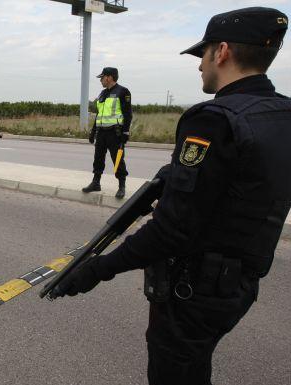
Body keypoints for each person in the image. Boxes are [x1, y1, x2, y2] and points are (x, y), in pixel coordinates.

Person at [54, 7, 289, 385]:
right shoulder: (282, 112)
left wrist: (99, 268)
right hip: (241, 285)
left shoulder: (212, 119)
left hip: (196, 289)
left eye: (204, 54)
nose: (200, 67)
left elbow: (172, 230)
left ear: (223, 52)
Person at [82, 67, 132, 199]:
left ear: (109, 77)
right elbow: (99, 114)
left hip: (115, 133)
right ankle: (96, 183)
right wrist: (93, 132)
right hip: (101, 132)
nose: (101, 80)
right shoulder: (102, 94)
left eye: (102, 77)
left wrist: (125, 132)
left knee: (118, 159)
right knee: (98, 158)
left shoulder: (123, 92)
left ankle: (122, 186)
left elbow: (128, 114)